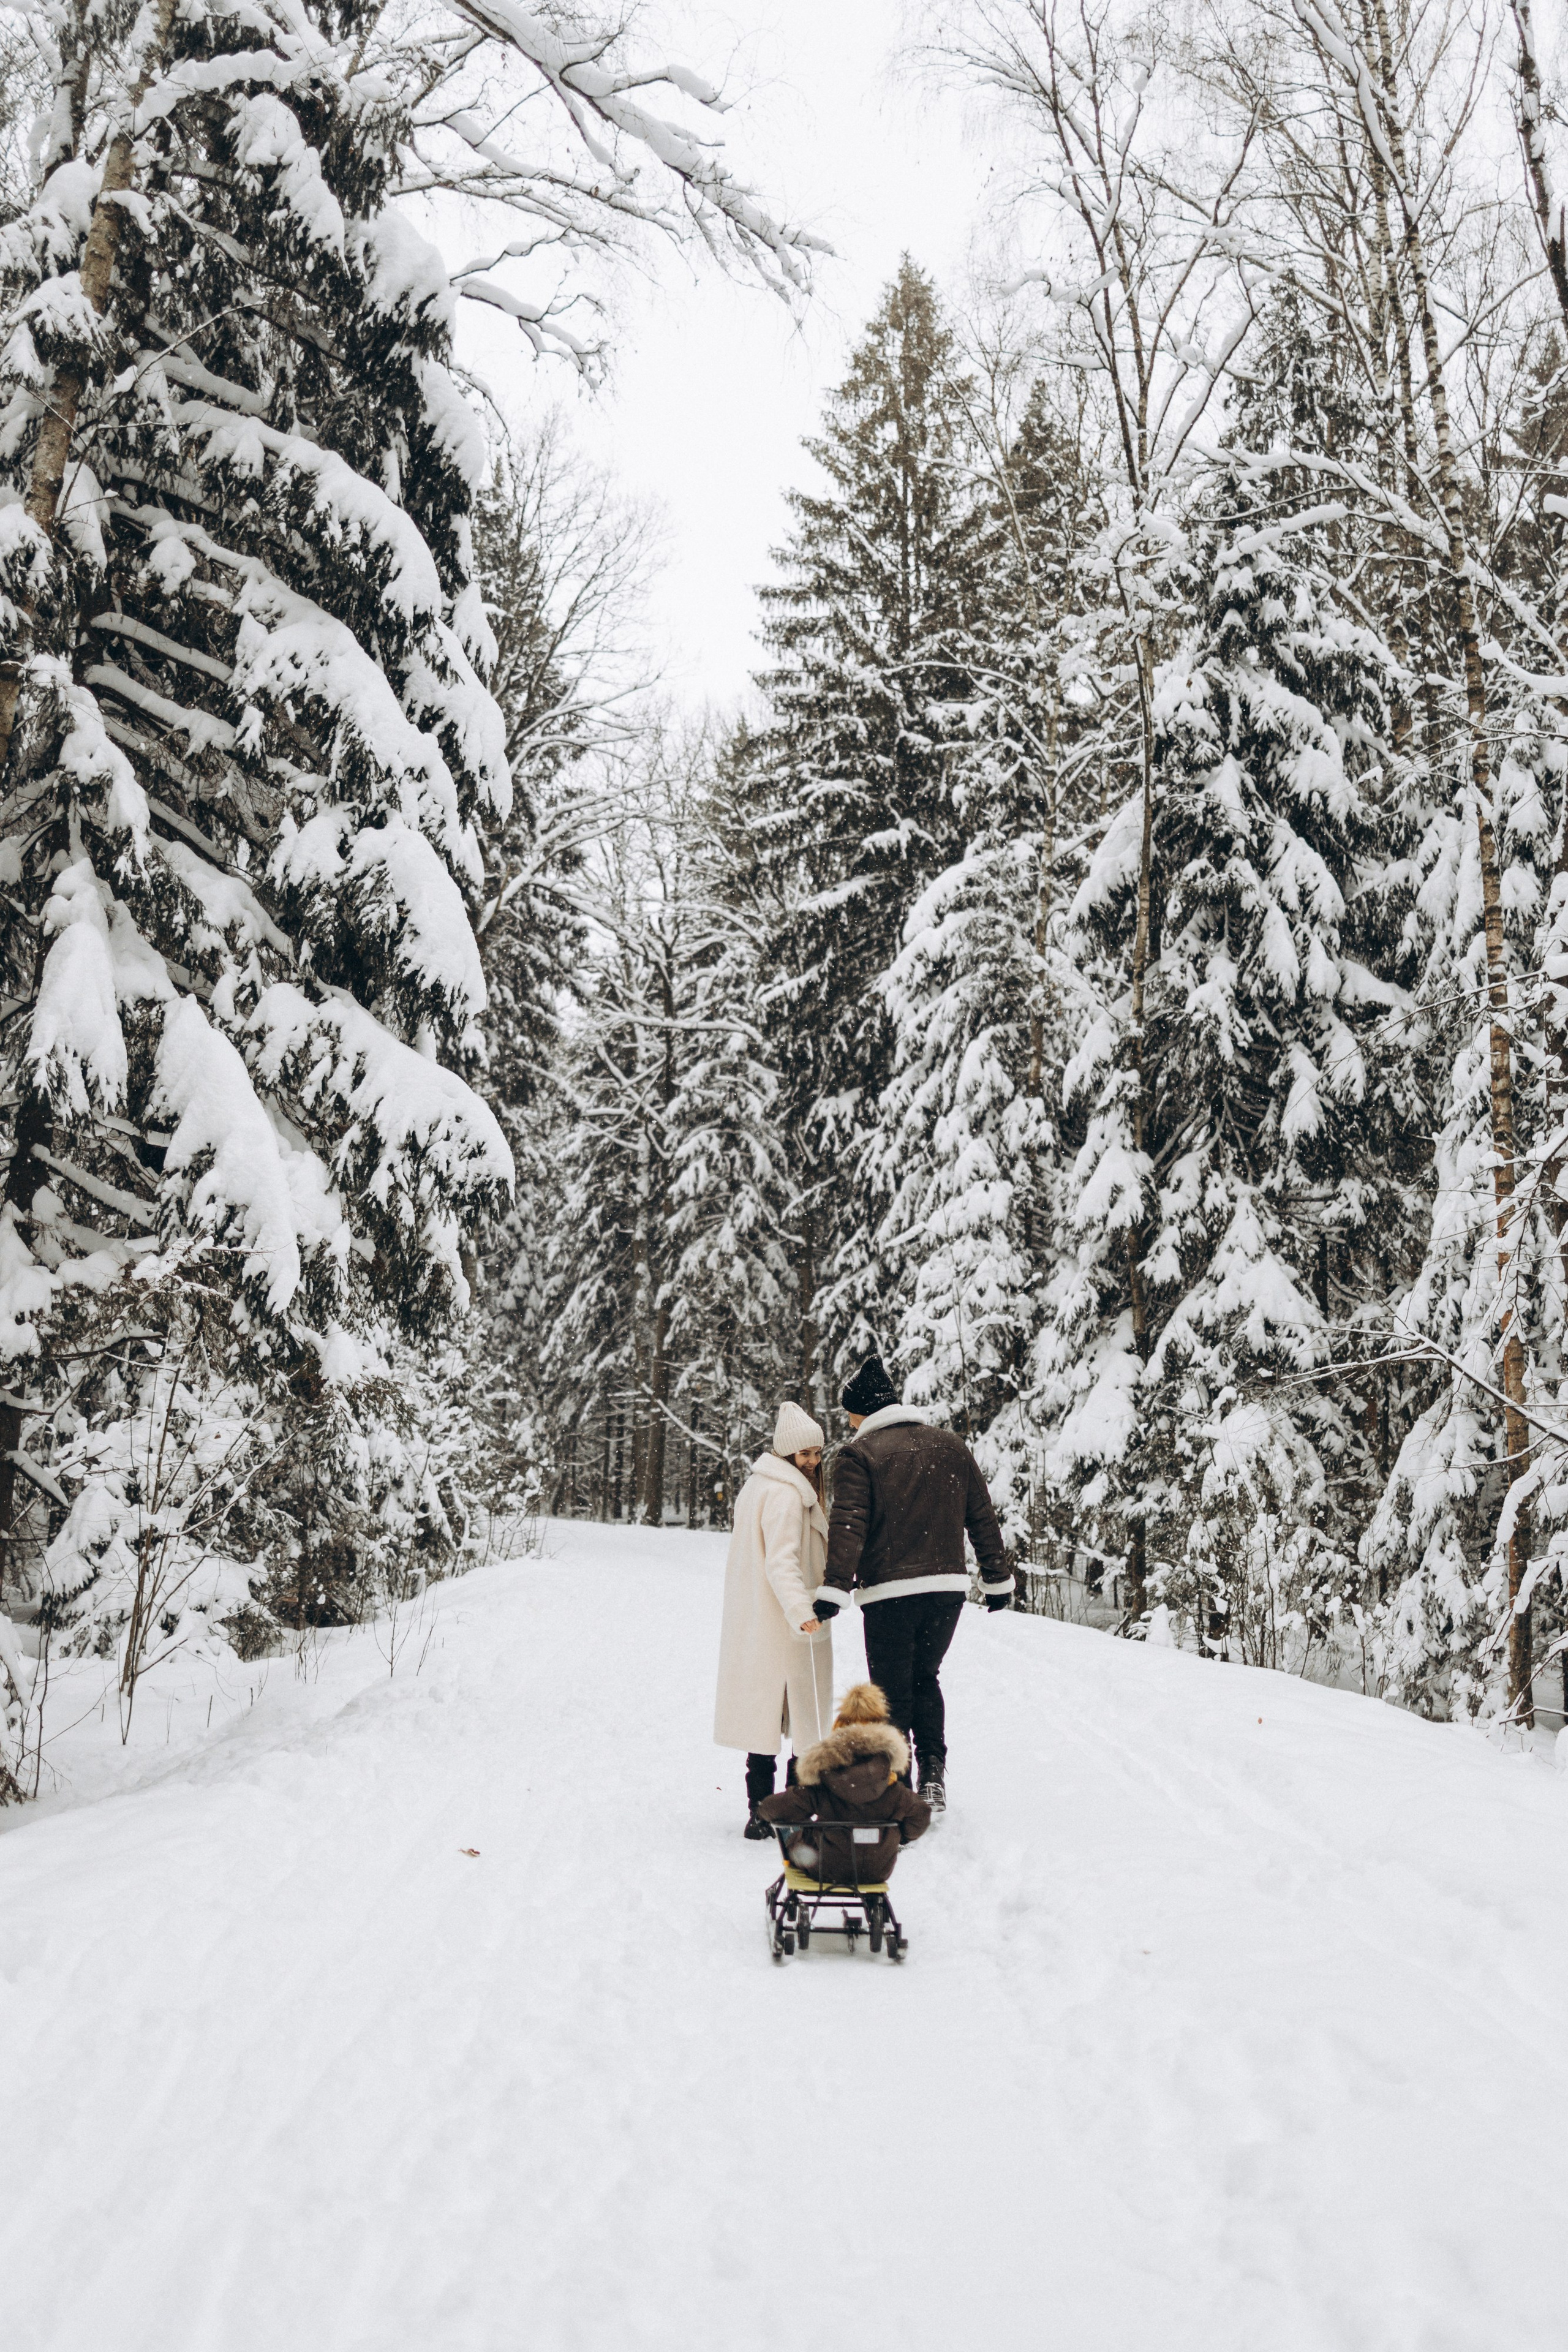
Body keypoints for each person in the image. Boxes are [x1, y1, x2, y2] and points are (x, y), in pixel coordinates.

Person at [812, 1354, 1011, 1811]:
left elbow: (849, 1526)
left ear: (863, 1409)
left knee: (892, 1692)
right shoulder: (950, 1446)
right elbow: (981, 1516)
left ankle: (896, 1787)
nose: (848, 1421)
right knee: (926, 1678)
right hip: (946, 1591)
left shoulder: (858, 1455)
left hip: (889, 1596)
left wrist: (834, 1588)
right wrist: (996, 1579)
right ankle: (933, 1773)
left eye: (850, 1412)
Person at [714, 1402, 835, 1839]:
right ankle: (788, 1809)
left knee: (764, 1720)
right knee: (804, 1720)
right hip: (788, 1623)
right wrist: (803, 1612)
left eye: (817, 1453)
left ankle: (762, 1810)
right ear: (787, 1454)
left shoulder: (759, 1487)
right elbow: (782, 1562)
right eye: (805, 1454)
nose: (813, 1462)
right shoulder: (786, 1495)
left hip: (762, 1620)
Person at [758, 1683, 930, 1880]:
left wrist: (763, 1809)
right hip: (877, 1870)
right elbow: (921, 1815)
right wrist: (901, 1834)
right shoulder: (895, 1791)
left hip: (824, 1867)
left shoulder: (824, 1785)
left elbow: (780, 1808)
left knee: (794, 1834)